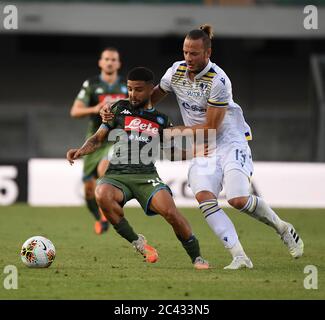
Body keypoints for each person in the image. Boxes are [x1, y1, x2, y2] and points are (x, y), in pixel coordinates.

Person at [101, 25, 304, 270]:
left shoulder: (219, 81)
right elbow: (147, 100)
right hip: (203, 145)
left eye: (194, 53)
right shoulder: (175, 71)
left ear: (208, 53)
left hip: (230, 141)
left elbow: (212, 127)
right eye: (186, 52)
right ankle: (239, 256)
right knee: (205, 198)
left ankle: (282, 227)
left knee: (238, 200)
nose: (188, 58)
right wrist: (116, 109)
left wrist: (174, 132)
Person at [67, 67, 209, 270]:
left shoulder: (161, 120)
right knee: (101, 194)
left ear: (151, 89)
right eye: (130, 89)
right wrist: (81, 150)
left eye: (138, 89)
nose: (133, 94)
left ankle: (197, 258)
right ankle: (138, 242)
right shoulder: (117, 109)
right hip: (116, 175)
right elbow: (98, 138)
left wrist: (194, 153)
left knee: (171, 213)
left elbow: (170, 153)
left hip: (146, 176)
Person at [70, 47, 128, 235]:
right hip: (95, 140)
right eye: (106, 59)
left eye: (113, 59)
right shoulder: (92, 84)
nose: (110, 62)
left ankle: (110, 206)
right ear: (100, 62)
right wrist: (95, 108)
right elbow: (75, 111)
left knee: (105, 168)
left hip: (116, 138)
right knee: (88, 190)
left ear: (118, 64)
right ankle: (100, 218)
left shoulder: (126, 87)